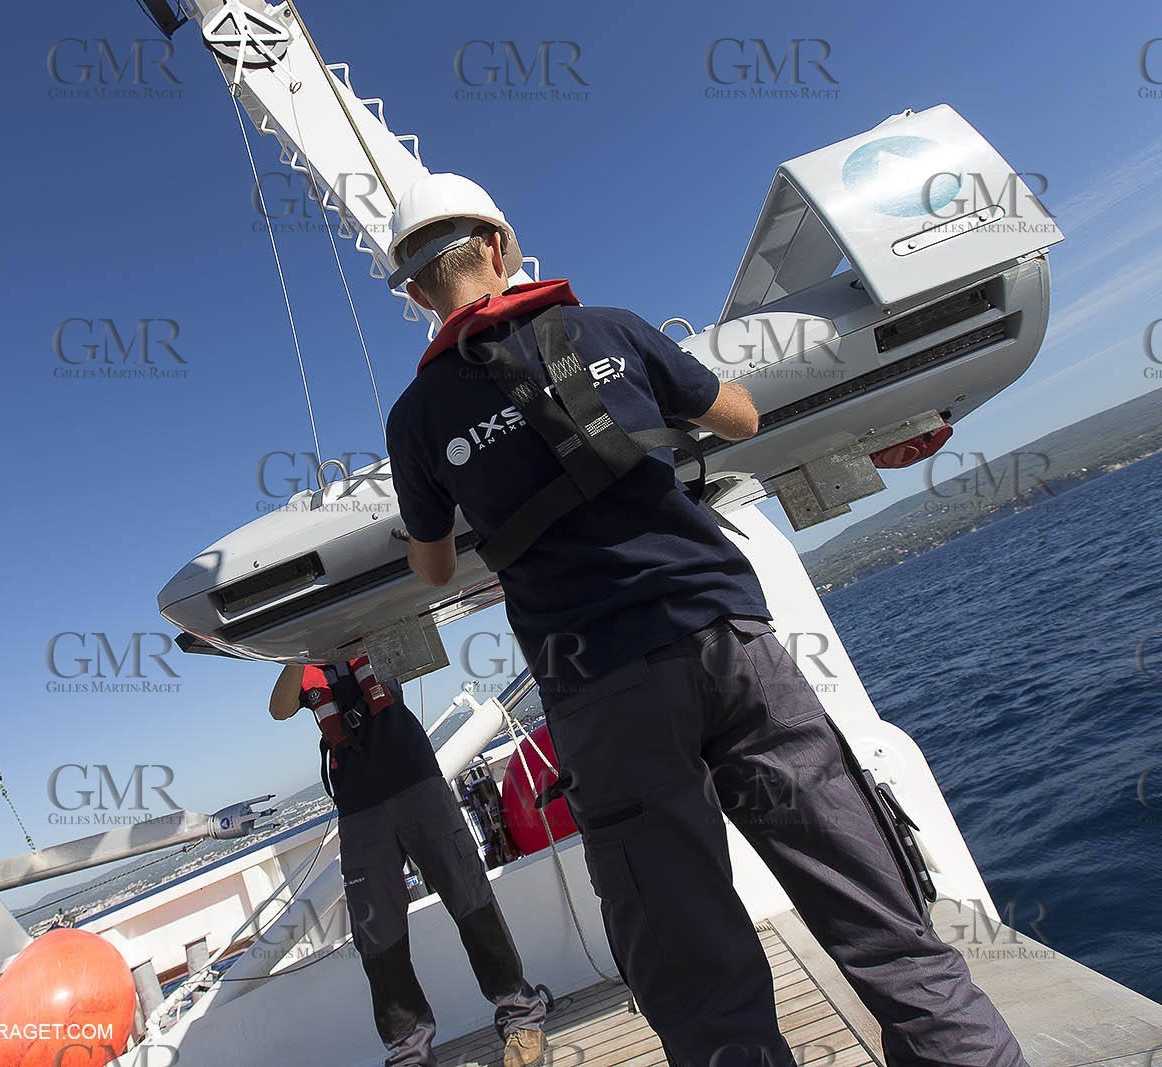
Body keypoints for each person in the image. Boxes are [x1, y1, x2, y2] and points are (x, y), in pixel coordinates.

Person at [382, 172, 1028, 1066]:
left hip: (602, 693)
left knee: (701, 989)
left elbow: (434, 564)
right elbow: (739, 413)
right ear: (500, 248)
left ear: (416, 294)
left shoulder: (415, 419)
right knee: (886, 928)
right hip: (731, 645)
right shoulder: (610, 327)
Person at [269, 655, 547, 1067]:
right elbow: (279, 709)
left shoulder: (373, 625)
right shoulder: (303, 660)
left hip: (415, 779)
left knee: (469, 896)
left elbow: (409, 637)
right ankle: (409, 1053)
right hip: (359, 804)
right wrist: (295, 652)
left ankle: (521, 1016)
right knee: (377, 935)